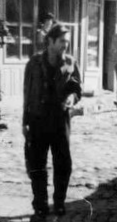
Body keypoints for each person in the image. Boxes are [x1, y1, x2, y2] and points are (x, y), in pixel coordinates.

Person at [23, 23, 82, 218]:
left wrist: (72, 98)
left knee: (63, 163)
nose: (66, 44)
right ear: (50, 41)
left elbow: (76, 88)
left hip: (60, 118)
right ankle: (40, 203)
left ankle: (59, 202)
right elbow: (27, 92)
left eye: (67, 41)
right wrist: (25, 120)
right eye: (62, 41)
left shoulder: (70, 62)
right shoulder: (34, 63)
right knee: (37, 163)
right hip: (38, 118)